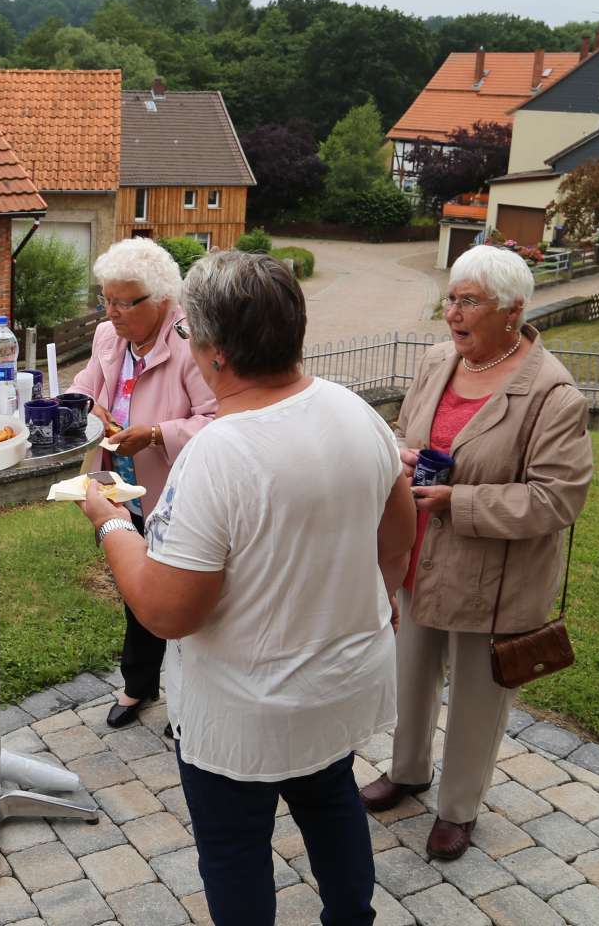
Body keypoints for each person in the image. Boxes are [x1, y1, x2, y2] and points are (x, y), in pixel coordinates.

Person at [79, 250, 417, 925]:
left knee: (234, 846)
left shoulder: (221, 452)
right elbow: (397, 540)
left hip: (249, 704)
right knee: (331, 801)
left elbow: (170, 610)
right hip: (341, 679)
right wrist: (372, 608)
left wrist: (112, 523)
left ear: (213, 353)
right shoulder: (357, 413)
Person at [360, 243, 592, 860]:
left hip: (493, 577)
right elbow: (411, 433)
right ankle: (407, 770)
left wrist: (456, 502)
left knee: (475, 699)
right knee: (409, 675)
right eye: (450, 299)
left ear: (512, 310)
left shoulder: (552, 392)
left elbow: (557, 499)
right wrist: (403, 453)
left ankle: (458, 809)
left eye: (468, 301)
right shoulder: (438, 361)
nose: (452, 313)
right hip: (419, 556)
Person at [68, 237, 216, 729]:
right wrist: (87, 405)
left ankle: (188, 703)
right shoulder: (110, 338)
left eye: (122, 302)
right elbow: (83, 386)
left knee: (181, 599)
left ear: (160, 300)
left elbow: (218, 421)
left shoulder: (192, 344)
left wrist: (155, 434)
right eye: (105, 299)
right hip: (117, 489)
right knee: (136, 591)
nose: (110, 312)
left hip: (176, 495)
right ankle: (139, 684)